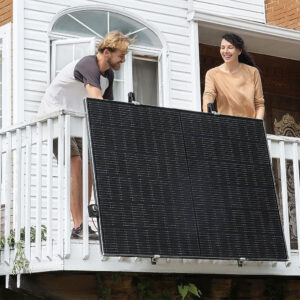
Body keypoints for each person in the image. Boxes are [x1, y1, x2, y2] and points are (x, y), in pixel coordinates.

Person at [38, 31, 132, 239]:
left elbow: (107, 108)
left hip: (79, 121)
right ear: (107, 52)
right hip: (56, 116)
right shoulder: (88, 65)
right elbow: (96, 101)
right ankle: (78, 225)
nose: (124, 59)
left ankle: (84, 224)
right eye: (121, 55)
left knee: (89, 167)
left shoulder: (108, 75)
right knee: (77, 162)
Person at [202, 32, 265, 119]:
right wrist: (208, 118)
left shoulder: (253, 72)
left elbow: (259, 104)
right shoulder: (212, 74)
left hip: (250, 127)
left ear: (239, 51)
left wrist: (256, 126)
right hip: (226, 126)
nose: (225, 51)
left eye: (230, 48)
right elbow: (208, 96)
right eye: (222, 48)